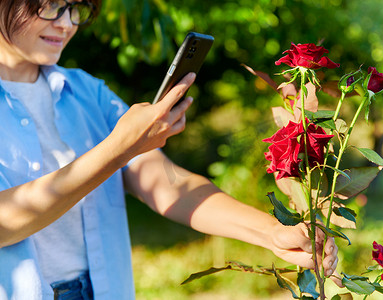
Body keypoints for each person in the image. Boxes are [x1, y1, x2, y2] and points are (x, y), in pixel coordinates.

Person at [0, 1, 340, 299]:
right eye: (47, 5)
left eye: (75, 8)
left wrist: (272, 233)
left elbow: (166, 183)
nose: (66, 23)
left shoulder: (87, 93)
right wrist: (118, 150)